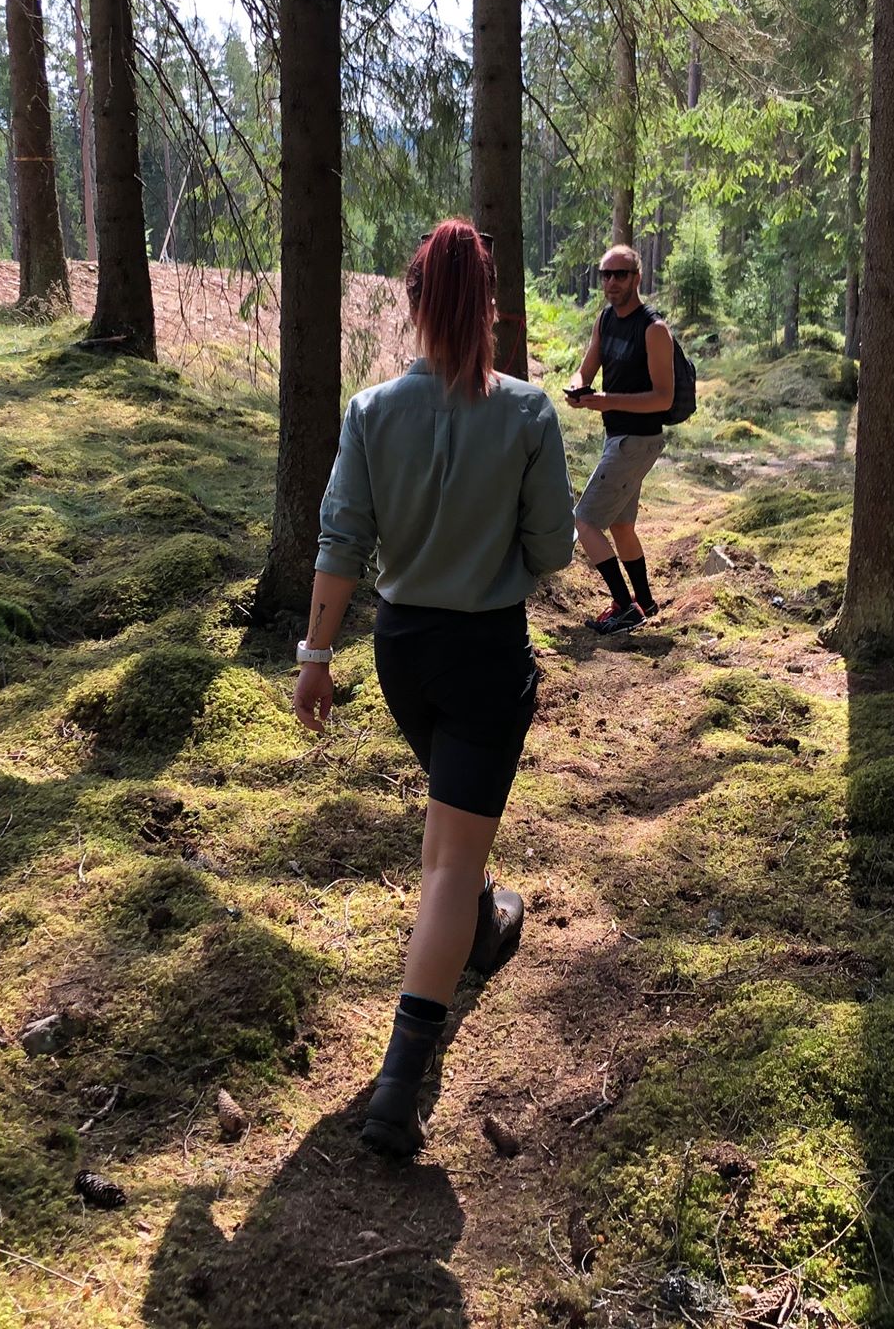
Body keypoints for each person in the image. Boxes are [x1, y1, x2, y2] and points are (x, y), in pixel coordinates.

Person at [292, 218, 575, 1158]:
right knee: (452, 855)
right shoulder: (530, 414)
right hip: (486, 649)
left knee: (452, 828)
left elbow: (341, 544)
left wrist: (314, 658)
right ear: (488, 307)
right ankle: (400, 1083)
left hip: (400, 651)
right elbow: (553, 550)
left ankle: (486, 922)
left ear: (414, 303)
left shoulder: (371, 411)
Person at [563, 242, 675, 635]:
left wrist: (606, 401)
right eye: (605, 274)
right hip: (619, 439)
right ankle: (644, 601)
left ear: (637, 278)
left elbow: (664, 398)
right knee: (622, 526)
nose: (611, 282)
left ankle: (625, 607)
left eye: (620, 274)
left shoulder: (654, 328)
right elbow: (586, 367)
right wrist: (577, 387)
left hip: (637, 440)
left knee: (585, 520)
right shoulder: (605, 320)